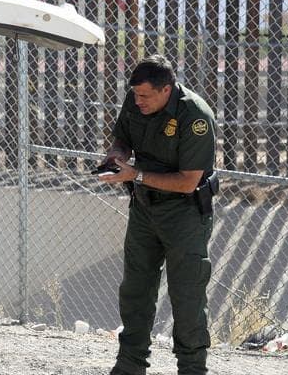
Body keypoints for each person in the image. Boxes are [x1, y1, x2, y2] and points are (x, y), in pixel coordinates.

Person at [98, 54, 217, 375]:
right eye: (135, 94)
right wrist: (117, 155)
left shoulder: (195, 116)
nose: (138, 101)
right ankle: (130, 365)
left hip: (184, 213)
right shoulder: (137, 98)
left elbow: (188, 181)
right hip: (144, 208)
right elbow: (123, 137)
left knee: (187, 295)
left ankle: (192, 369)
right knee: (135, 290)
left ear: (167, 90)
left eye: (145, 96)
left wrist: (135, 174)